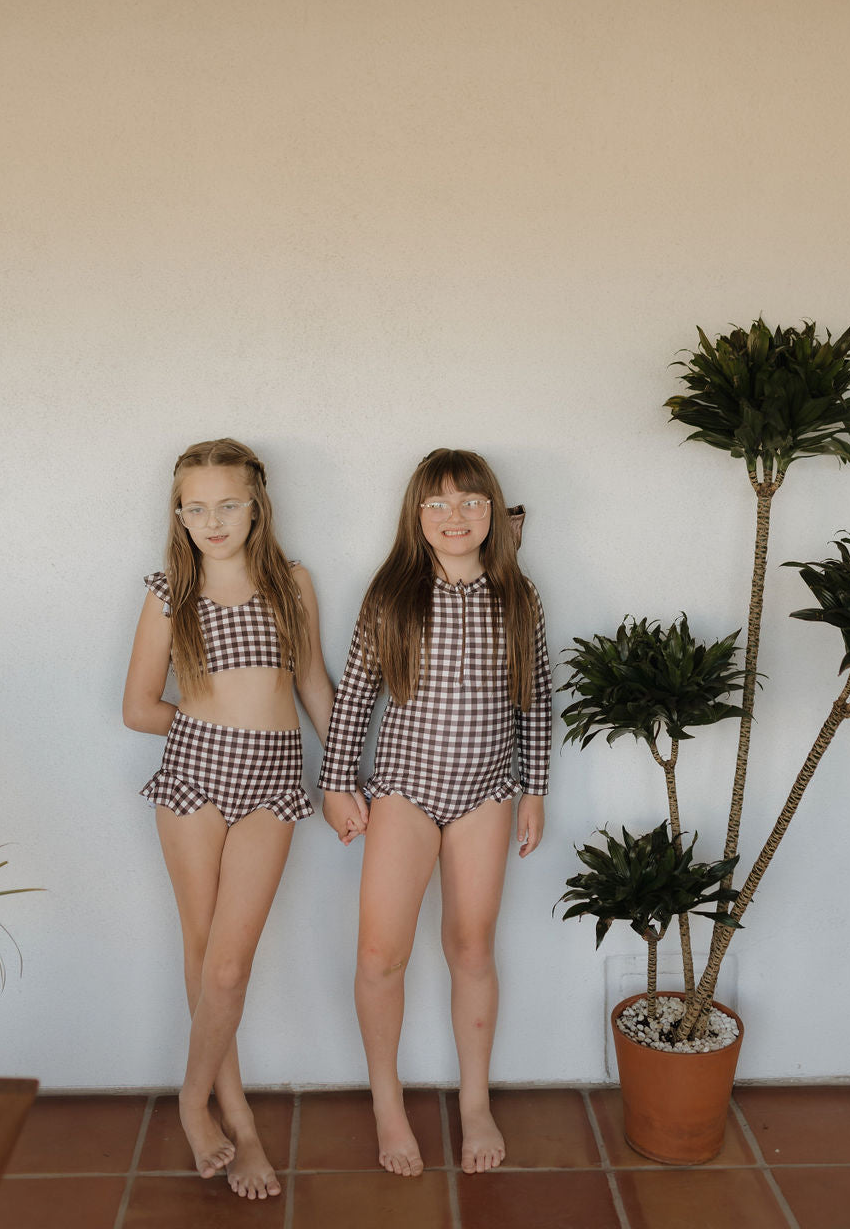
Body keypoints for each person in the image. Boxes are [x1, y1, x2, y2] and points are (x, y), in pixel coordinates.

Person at [123, 438, 367, 1199]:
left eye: (227, 503)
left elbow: (312, 684)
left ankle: (196, 1100)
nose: (212, 520)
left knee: (230, 964)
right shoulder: (170, 593)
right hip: (193, 780)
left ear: (257, 503)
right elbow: (136, 709)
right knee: (201, 953)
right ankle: (226, 1118)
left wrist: (351, 773)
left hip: (272, 784)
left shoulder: (292, 583)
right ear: (180, 515)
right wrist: (207, 730)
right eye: (195, 507)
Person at [319, 448, 552, 1177]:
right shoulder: (392, 596)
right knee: (378, 953)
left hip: (486, 792)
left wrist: (533, 790)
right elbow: (356, 694)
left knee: (472, 947)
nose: (457, 517)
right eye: (439, 504)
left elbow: (535, 699)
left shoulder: (518, 598)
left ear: (495, 514)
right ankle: (388, 1104)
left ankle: (474, 1101)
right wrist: (337, 783)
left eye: (472, 502)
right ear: (416, 516)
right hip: (404, 792)